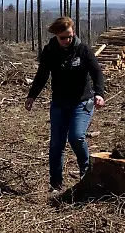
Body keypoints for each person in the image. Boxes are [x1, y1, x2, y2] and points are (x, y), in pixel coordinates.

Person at [25, 16, 107, 190]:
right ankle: (56, 185)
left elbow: (97, 73)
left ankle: (86, 172)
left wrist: (99, 94)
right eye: (63, 37)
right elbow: (42, 75)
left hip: (82, 102)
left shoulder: (83, 50)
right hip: (59, 103)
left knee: (76, 137)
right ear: (56, 35)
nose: (67, 40)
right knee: (56, 144)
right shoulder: (50, 51)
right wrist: (32, 95)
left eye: (70, 36)